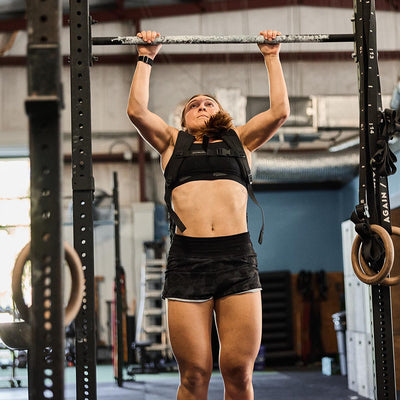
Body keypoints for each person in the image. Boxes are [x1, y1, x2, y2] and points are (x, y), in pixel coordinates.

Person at [127, 29, 289, 400]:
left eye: (209, 103)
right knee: (195, 375)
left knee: (237, 372)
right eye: (194, 104)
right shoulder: (170, 142)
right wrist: (146, 56)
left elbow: (280, 111)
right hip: (188, 262)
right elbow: (136, 111)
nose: (201, 105)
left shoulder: (242, 139)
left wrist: (271, 55)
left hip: (237, 260)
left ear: (222, 115)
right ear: (184, 119)